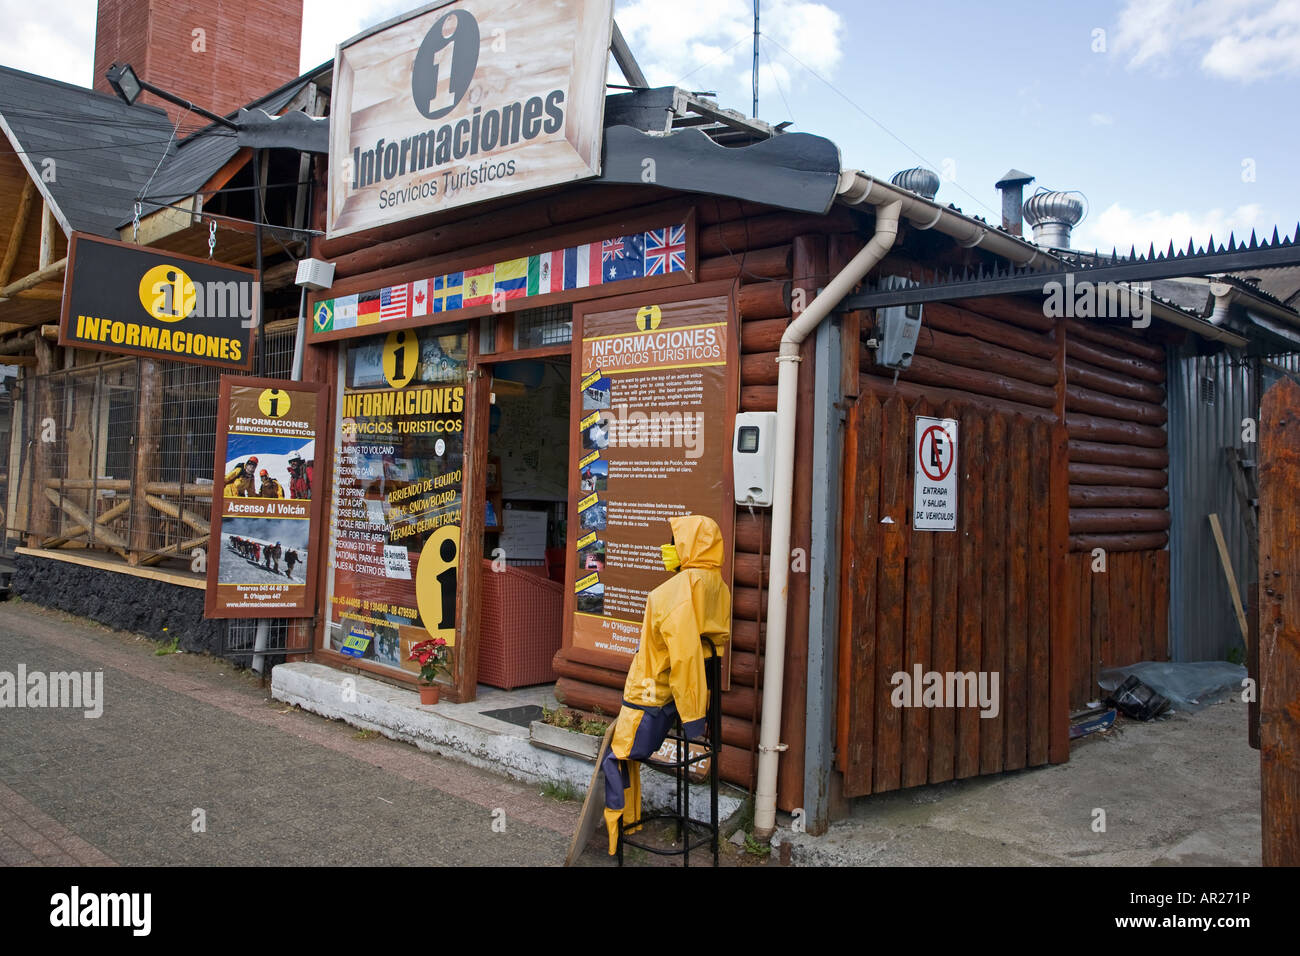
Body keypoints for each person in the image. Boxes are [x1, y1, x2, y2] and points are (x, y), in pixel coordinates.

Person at [600, 515, 731, 855]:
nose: (667, 549)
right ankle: (632, 821)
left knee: (616, 757)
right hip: (685, 697)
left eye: (673, 543)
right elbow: (697, 655)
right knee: (621, 754)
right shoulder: (718, 587)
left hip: (653, 697)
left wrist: (692, 720)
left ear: (688, 547)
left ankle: (618, 833)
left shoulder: (671, 593)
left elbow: (684, 658)